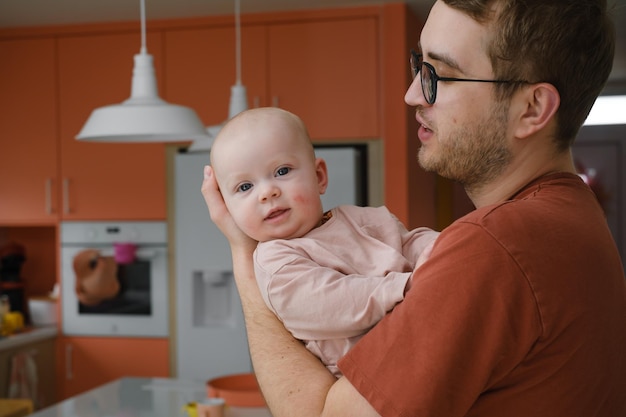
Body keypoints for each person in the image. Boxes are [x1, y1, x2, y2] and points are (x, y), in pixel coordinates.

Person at [201, 0, 626, 415]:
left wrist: (243, 256)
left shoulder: (493, 249)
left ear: (531, 109)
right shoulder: (575, 219)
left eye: (440, 75)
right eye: (418, 67)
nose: (411, 95)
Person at [209, 106, 439, 377]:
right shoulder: (275, 260)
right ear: (229, 209)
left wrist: (443, 247)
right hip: (371, 382)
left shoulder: (359, 218)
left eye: (282, 171)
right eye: (245, 187)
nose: (267, 192)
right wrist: (408, 285)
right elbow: (333, 302)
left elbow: (409, 243)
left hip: (421, 343)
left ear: (319, 176)